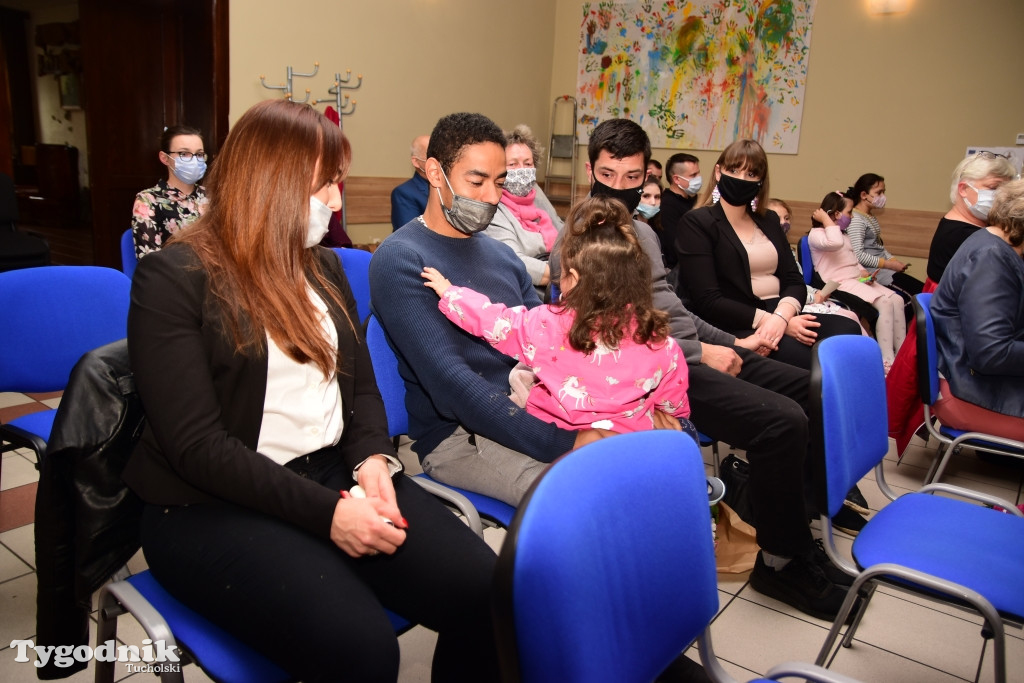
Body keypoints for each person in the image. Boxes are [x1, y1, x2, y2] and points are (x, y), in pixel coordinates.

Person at [124, 100, 499, 682]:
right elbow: (197, 448)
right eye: (325, 185)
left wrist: (373, 460)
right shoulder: (175, 279)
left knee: (484, 590)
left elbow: (362, 388)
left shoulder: (321, 267)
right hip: (209, 505)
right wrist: (329, 515)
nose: (336, 202)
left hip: (330, 472)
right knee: (362, 650)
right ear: (270, 183)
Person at [548, 119, 856, 620]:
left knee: (809, 389)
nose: (620, 187)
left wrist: (734, 342)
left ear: (646, 175)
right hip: (651, 374)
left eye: (632, 177)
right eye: (608, 175)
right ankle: (780, 562)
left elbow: (673, 308)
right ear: (590, 171)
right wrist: (700, 354)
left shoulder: (641, 232)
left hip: (687, 351)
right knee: (781, 421)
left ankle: (787, 525)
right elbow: (604, 332)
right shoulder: (580, 236)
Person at [425, 195, 692, 435]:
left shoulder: (546, 326)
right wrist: (672, 417)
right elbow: (672, 400)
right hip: (625, 448)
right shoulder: (659, 341)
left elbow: (496, 321)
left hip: (560, 446)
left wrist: (451, 294)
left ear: (572, 278)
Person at [676, 139, 863, 370]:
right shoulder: (698, 223)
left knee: (848, 332)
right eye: (733, 170)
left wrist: (782, 317)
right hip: (738, 319)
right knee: (818, 363)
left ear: (760, 181)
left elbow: (794, 280)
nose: (741, 179)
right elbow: (708, 300)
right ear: (718, 172)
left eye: (751, 174)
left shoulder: (769, 220)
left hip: (782, 311)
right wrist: (772, 321)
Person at [930, 178, 1024, 441]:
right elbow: (991, 353)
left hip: (974, 380)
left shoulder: (995, 245)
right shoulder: (991, 257)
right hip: (969, 391)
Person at [809, 192, 905, 372]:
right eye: (849, 212)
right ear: (836, 213)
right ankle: (887, 360)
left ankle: (902, 354)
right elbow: (835, 243)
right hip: (839, 282)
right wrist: (826, 219)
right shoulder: (817, 234)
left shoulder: (843, 235)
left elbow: (852, 258)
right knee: (884, 303)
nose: (852, 217)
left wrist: (864, 273)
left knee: (897, 300)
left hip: (856, 279)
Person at [482, 124, 563, 298]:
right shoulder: (493, 206)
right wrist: (568, 274)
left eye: (528, 163)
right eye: (512, 164)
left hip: (560, 279)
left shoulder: (535, 192)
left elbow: (564, 231)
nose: (522, 170)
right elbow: (513, 261)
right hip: (528, 292)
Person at [926, 151, 1018, 289]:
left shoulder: (966, 226)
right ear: (963, 189)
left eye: (1006, 190)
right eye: (994, 188)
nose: (1002, 196)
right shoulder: (963, 236)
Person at [131, 125, 208, 260]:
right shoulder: (148, 201)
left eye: (199, 154)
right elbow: (149, 262)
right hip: (173, 272)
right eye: (184, 154)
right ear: (165, 158)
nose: (194, 160)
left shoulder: (212, 196)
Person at [846, 172, 923, 295]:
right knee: (916, 295)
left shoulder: (869, 216)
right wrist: (889, 264)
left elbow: (878, 246)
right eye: (879, 193)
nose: (882, 197)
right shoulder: (856, 219)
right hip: (874, 272)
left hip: (885, 269)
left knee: (922, 289)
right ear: (864, 195)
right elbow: (858, 255)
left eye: (883, 192)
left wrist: (893, 260)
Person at [660, 152, 702, 272]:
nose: (699, 178)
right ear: (677, 179)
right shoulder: (667, 204)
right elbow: (673, 245)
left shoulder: (693, 200)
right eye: (693, 175)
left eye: (698, 173)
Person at [389, 134, 430, 231]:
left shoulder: (451, 186)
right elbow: (409, 234)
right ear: (416, 161)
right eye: (431, 155)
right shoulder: (404, 193)